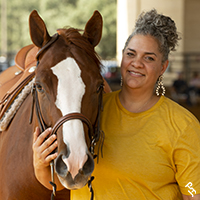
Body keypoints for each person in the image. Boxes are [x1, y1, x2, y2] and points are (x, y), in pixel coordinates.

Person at [33, 9, 200, 200]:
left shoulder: (182, 125)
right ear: (123, 57)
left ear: (163, 67)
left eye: (149, 58)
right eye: (131, 54)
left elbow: (193, 191)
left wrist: (191, 187)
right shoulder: (92, 111)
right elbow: (57, 182)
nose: (137, 63)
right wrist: (40, 163)